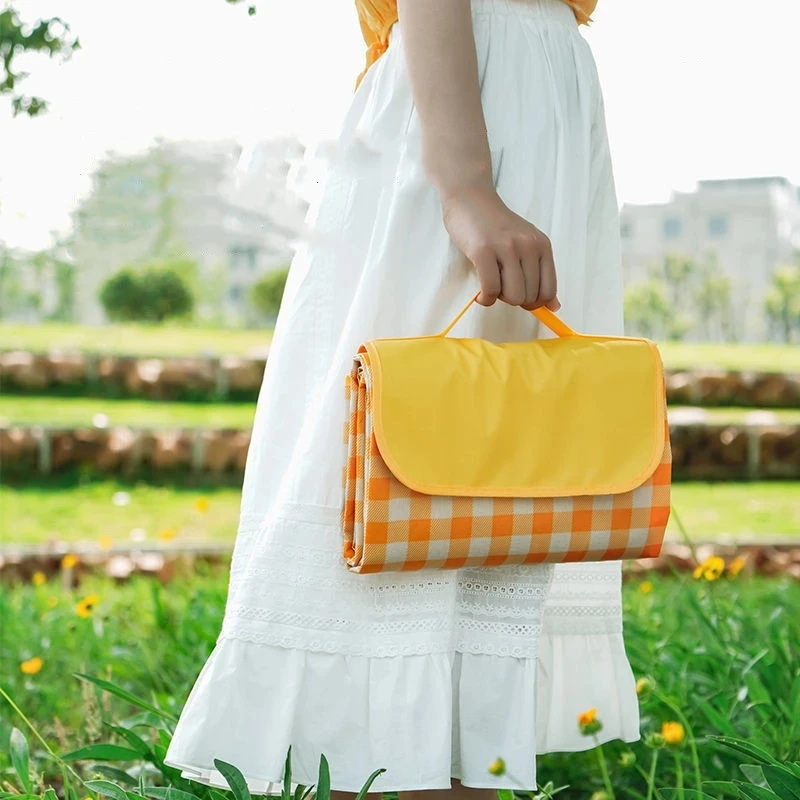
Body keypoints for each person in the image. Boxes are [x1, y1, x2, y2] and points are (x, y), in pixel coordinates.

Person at [164, 0, 640, 795]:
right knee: (399, 478)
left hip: (537, 101)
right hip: (462, 101)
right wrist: (465, 182)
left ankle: (457, 771)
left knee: (495, 494)